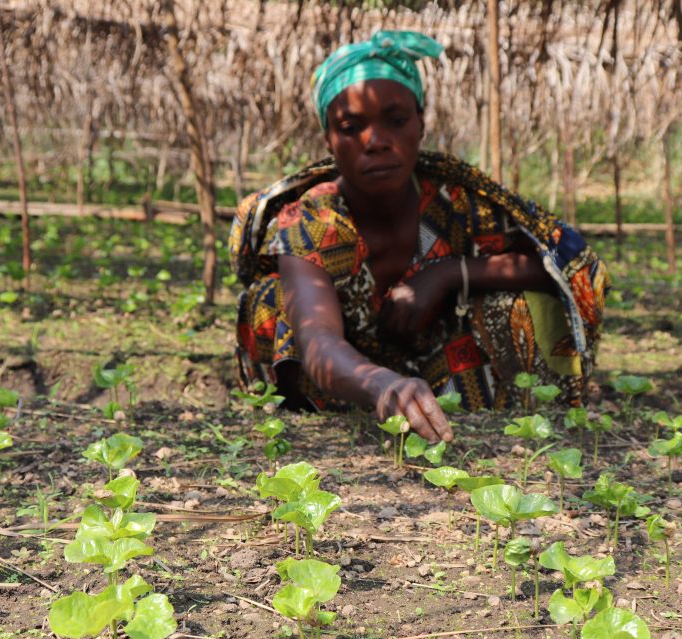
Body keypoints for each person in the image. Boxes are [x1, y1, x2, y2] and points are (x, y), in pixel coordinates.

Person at [229, 30, 608, 443]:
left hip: (439, 367)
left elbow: (565, 265)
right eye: (351, 127)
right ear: (329, 141)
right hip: (339, 383)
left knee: (524, 301)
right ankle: (301, 416)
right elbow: (317, 340)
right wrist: (381, 384)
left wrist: (450, 273)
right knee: (271, 298)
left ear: (421, 123)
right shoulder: (313, 220)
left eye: (396, 121)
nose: (376, 142)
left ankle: (514, 414)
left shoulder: (458, 203)